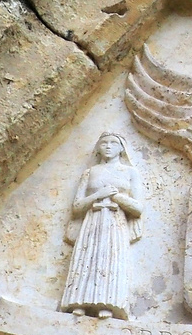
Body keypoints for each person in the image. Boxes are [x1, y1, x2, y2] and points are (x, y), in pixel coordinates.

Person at [60, 132, 144, 320]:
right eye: (104, 143)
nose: (108, 146)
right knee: (87, 259)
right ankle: (79, 302)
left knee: (110, 261)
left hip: (116, 222)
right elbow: (76, 207)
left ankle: (107, 303)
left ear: (122, 148)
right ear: (97, 147)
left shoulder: (130, 172)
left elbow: (138, 208)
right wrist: (98, 195)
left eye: (113, 143)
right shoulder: (90, 172)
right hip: (92, 221)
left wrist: (116, 196)